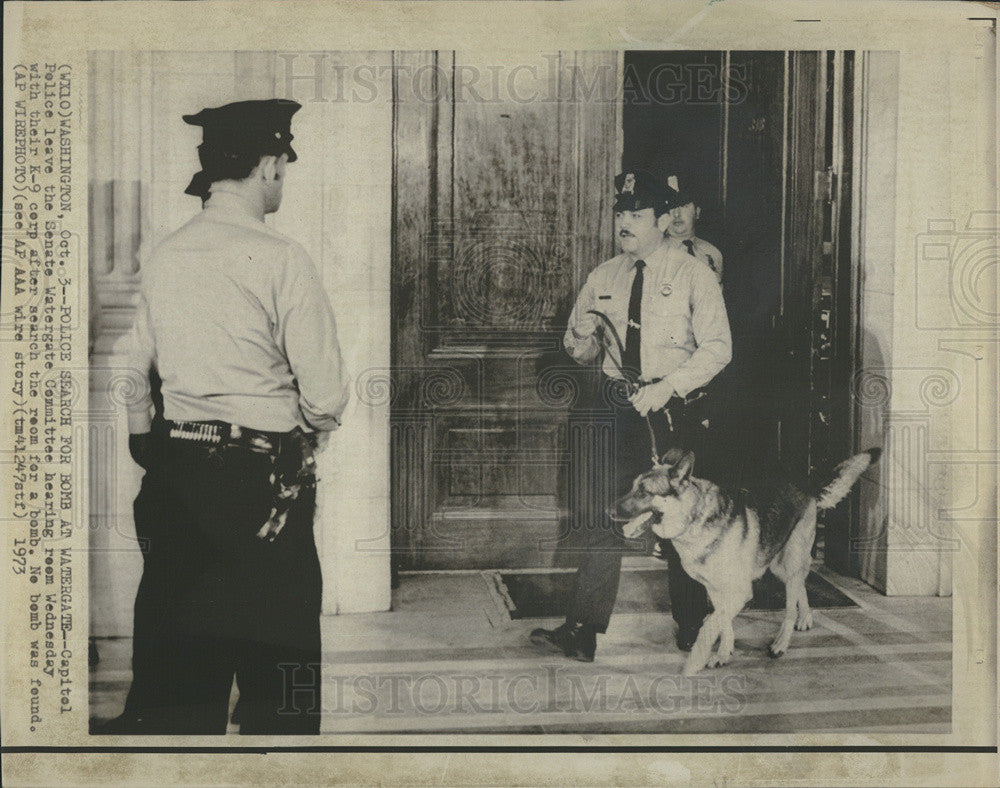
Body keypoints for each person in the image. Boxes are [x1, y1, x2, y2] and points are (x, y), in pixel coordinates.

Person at [100, 99, 350, 735]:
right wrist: (307, 435)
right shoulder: (281, 257)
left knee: (181, 668)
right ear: (268, 165)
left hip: (177, 476)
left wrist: (147, 444)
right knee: (278, 669)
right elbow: (325, 395)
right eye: (281, 168)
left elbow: (130, 373)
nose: (281, 181)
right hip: (264, 483)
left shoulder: (164, 254)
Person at [530, 169, 731, 661]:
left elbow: (719, 349)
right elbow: (580, 348)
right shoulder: (604, 275)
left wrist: (666, 388)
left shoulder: (694, 274)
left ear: (664, 220)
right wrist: (577, 341)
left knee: (681, 519)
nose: (624, 222)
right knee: (604, 510)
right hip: (614, 409)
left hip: (672, 411)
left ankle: (692, 626)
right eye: (621, 213)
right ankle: (584, 628)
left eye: (636, 214)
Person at [662, 174, 724, 284]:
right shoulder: (654, 253)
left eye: (684, 205)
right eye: (671, 207)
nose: (677, 214)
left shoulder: (712, 253)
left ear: (697, 212)